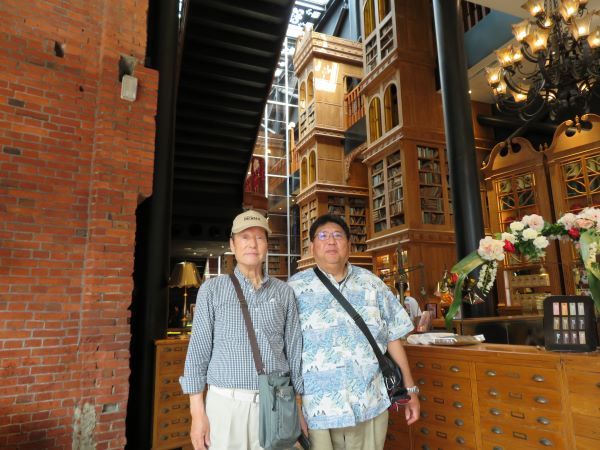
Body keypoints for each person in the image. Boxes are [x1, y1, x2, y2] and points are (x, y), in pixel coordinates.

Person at [288, 214, 420, 450]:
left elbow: (393, 337)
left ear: (349, 244)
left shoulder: (372, 284)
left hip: (369, 404)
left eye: (338, 235)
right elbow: (285, 350)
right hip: (317, 409)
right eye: (323, 236)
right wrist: (294, 408)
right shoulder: (294, 289)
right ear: (312, 247)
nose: (331, 241)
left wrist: (410, 390)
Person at [180, 210, 305, 450]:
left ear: (267, 245)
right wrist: (197, 414)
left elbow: (294, 351)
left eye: (259, 237)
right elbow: (197, 353)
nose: (252, 244)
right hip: (226, 405)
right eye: (245, 237)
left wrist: (298, 408)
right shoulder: (212, 290)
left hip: (276, 405)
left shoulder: (284, 292)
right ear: (232, 244)